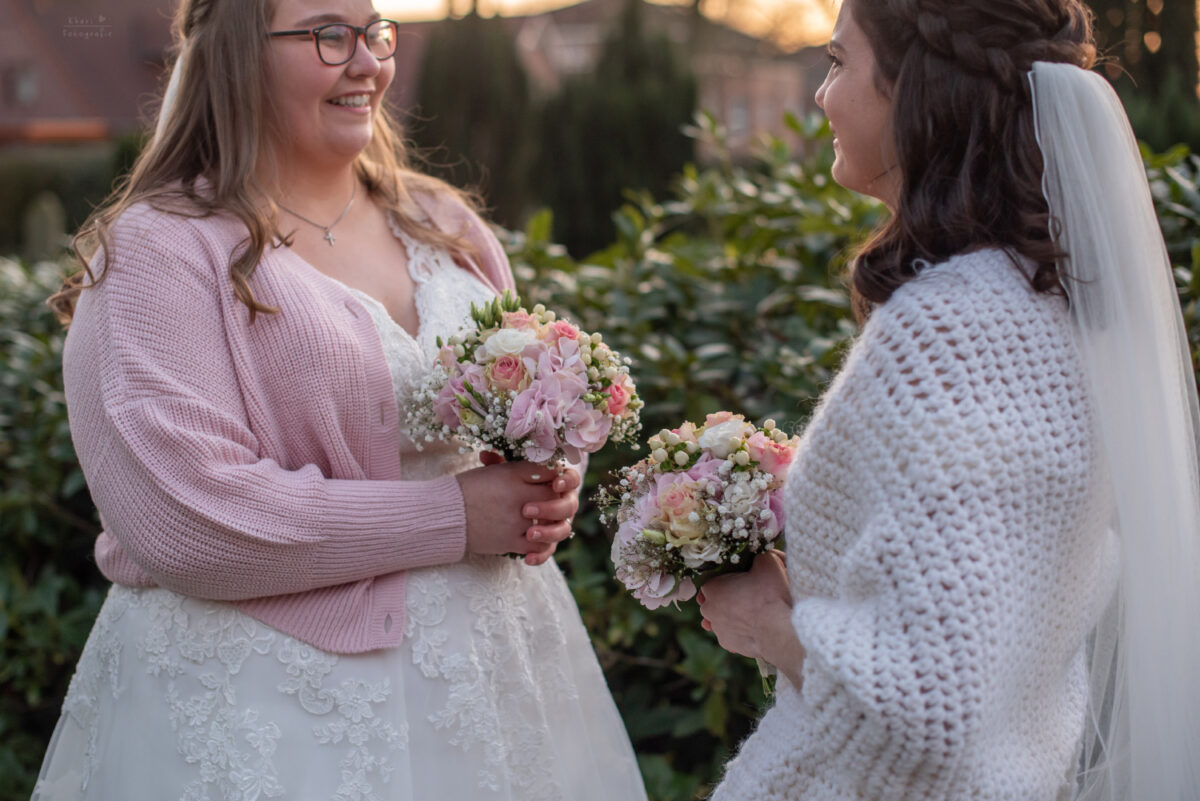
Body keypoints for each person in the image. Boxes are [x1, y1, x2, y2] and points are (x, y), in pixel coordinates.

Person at [31, 1, 648, 799]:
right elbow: (185, 516)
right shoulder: (158, 250)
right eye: (329, 35)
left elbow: (504, 416)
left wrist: (541, 480)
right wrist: (456, 517)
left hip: (495, 681)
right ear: (237, 54)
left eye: (376, 31)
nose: (368, 63)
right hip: (263, 709)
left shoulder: (444, 223)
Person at [696, 0, 1200, 799]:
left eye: (836, 63)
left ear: (913, 90)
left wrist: (769, 624)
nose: (821, 96)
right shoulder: (1039, 308)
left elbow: (924, 719)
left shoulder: (949, 333)